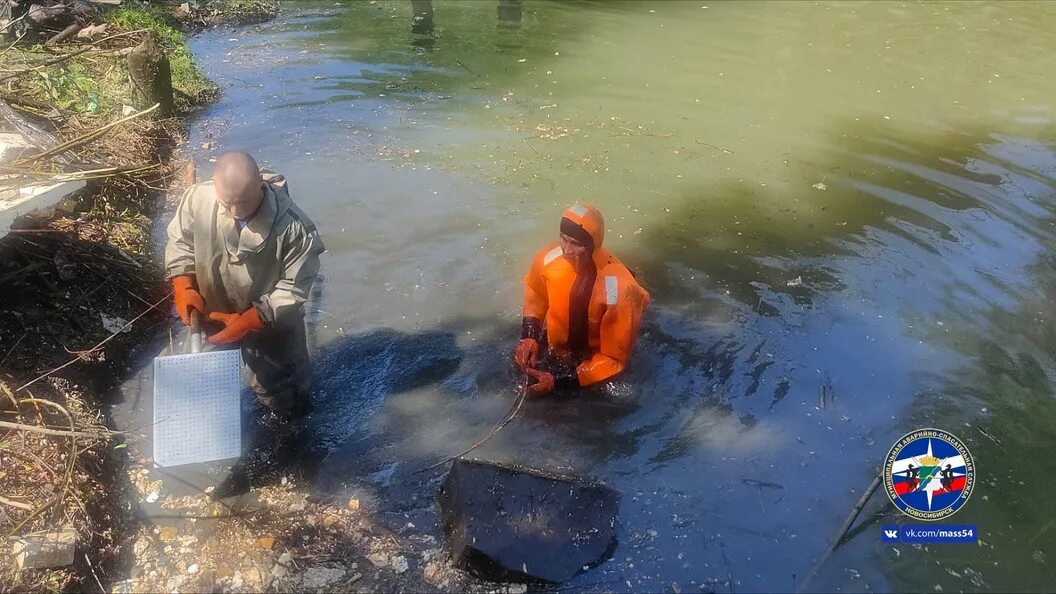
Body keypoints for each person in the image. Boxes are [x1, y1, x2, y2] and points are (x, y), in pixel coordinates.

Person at [165, 151, 325, 419]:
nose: (237, 212)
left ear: (260, 185)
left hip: (271, 323)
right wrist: (183, 284)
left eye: (246, 202)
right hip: (213, 311)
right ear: (215, 186)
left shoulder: (295, 228)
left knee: (287, 401)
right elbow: (180, 241)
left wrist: (251, 320)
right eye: (228, 203)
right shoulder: (196, 200)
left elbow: (294, 287)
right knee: (205, 388)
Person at [514, 203, 650, 396]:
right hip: (556, 350)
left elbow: (614, 360)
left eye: (576, 244)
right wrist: (530, 334)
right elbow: (535, 292)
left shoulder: (620, 290)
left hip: (596, 367)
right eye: (564, 239)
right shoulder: (549, 259)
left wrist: (558, 382)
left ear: (592, 245)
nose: (566, 250)